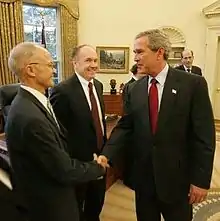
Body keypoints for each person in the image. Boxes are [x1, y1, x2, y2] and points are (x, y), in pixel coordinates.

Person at [98, 29, 215, 221]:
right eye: (134, 52)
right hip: (144, 181)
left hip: (177, 181)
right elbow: (126, 126)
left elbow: (204, 137)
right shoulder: (134, 89)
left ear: (159, 53)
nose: (135, 58)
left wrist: (200, 181)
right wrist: (106, 155)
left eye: (139, 52)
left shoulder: (193, 85)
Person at [6, 42, 106, 221]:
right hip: (50, 204)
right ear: (31, 70)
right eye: (50, 65)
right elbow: (62, 168)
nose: (54, 70)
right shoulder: (30, 116)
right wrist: (97, 167)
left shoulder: (34, 103)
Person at [50, 44, 107, 221]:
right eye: (88, 60)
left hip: (100, 160)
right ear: (75, 63)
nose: (94, 65)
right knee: (76, 212)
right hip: (77, 165)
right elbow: (57, 133)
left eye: (95, 60)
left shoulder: (97, 85)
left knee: (95, 207)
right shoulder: (62, 91)